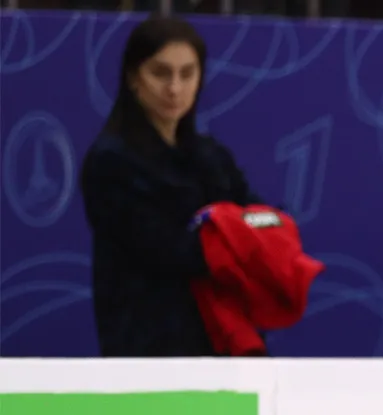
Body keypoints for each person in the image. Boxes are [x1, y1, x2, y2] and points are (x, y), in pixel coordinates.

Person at [80, 15, 263, 356]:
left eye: (187, 73)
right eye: (161, 73)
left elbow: (261, 219)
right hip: (148, 346)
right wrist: (236, 242)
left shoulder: (211, 155)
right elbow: (167, 250)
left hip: (226, 341)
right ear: (133, 78)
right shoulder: (111, 161)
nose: (175, 88)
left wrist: (259, 233)